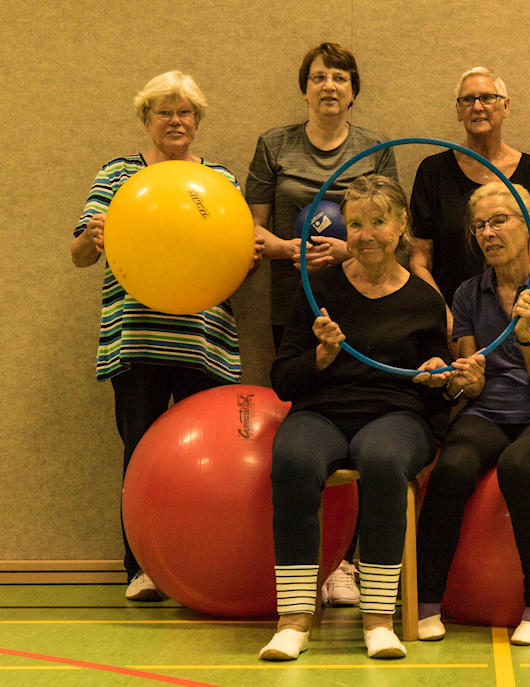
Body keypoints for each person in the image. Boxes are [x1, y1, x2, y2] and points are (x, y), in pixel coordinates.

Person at [70, 71, 261, 602]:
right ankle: (143, 567)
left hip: (206, 343)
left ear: (197, 121)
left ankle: (200, 563)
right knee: (142, 457)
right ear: (146, 119)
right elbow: (80, 254)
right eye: (163, 112)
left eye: (185, 113)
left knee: (209, 465)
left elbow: (232, 261)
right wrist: (93, 234)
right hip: (136, 343)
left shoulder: (220, 180)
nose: (175, 121)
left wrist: (244, 258)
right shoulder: (118, 174)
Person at [259, 175, 450, 661]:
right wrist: (320, 357)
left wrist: (436, 376)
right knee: (294, 459)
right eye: (357, 223)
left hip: (396, 414)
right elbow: (283, 378)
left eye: (379, 222)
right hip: (321, 412)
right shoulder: (317, 287)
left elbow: (437, 395)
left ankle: (379, 619)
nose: (366, 235)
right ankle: (294, 619)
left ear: (402, 225)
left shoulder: (425, 299)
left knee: (384, 461)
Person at [245, 42, 398, 606]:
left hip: (361, 294)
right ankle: (308, 560)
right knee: (304, 415)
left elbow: (390, 225)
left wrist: (347, 248)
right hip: (294, 299)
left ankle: (350, 565)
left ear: (353, 89)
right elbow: (250, 231)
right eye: (318, 77)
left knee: (365, 418)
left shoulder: (376, 149)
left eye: (339, 77)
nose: (328, 86)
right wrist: (291, 249)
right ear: (305, 87)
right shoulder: (274, 145)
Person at [416, 182, 530, 646]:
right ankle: (427, 602)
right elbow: (472, 378)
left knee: (519, 466)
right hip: (491, 409)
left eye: (500, 221)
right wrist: (458, 377)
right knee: (451, 467)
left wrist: (526, 331)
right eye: (479, 226)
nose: (488, 233)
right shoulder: (468, 294)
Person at [410, 66, 530, 309]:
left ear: (506, 106)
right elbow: (419, 259)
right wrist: (446, 319)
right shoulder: (433, 172)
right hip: (451, 313)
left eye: (487, 98)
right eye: (467, 100)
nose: (477, 106)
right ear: (458, 111)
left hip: (522, 314)